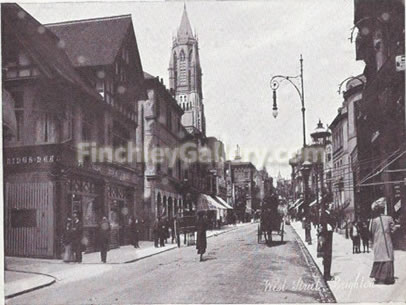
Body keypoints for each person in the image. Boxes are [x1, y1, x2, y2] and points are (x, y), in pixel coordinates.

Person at [369, 202, 397, 285]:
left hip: (377, 241)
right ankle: (388, 278)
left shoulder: (374, 220)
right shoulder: (389, 218)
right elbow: (394, 229)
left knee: (379, 257)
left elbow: (371, 231)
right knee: (387, 257)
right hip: (387, 241)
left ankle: (378, 277)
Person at [321, 208, 335, 281]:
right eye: (330, 203)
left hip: (328, 237)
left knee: (328, 256)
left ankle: (327, 274)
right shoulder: (325, 215)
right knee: (327, 256)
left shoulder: (328, 214)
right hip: (326, 238)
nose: (331, 205)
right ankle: (326, 275)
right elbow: (325, 227)